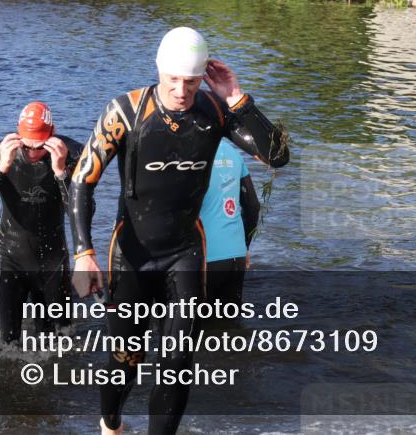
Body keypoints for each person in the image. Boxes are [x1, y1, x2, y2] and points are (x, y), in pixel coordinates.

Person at [70, 26, 289, 435]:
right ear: (159, 71)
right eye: (174, 80)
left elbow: (276, 155)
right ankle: (111, 425)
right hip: (132, 254)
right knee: (125, 358)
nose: (182, 91)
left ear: (202, 76)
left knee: (177, 364)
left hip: (185, 253)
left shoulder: (214, 111)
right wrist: (83, 253)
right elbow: (82, 180)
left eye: (191, 81)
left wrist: (237, 98)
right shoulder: (126, 112)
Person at [0, 102, 82, 343]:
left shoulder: (73, 154)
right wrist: (2, 168)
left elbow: (83, 215)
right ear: (18, 134)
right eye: (26, 146)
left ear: (52, 134)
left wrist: (61, 173)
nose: (31, 153)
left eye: (39, 147)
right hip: (8, 256)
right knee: (1, 345)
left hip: (52, 259)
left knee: (59, 344)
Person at [199, 139, 261, 308]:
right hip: (236, 254)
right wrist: (245, 246)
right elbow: (253, 206)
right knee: (231, 324)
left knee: (196, 327)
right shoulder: (233, 152)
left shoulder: (187, 154)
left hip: (203, 257)